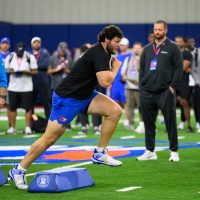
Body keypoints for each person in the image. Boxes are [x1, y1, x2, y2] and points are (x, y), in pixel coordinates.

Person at [9, 25, 123, 190]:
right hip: (67, 98)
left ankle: (100, 152)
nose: (119, 45)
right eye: (117, 41)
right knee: (49, 139)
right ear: (106, 40)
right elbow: (105, 82)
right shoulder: (98, 53)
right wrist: (116, 68)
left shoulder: (106, 52)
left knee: (115, 111)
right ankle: (18, 170)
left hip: (85, 95)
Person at [136, 20, 183, 162]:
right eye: (155, 29)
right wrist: (142, 87)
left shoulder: (173, 48)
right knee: (148, 122)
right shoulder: (147, 49)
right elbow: (142, 69)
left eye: (160, 30)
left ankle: (174, 151)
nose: (157, 32)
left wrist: (172, 86)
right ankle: (150, 151)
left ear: (166, 30)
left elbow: (179, 69)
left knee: (170, 122)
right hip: (147, 92)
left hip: (165, 91)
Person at [5, 42, 38, 135]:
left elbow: (35, 71)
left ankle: (27, 127)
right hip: (13, 87)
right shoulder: (10, 56)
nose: (20, 53)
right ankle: (12, 127)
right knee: (12, 108)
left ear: (24, 50)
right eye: (18, 52)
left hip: (26, 87)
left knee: (28, 108)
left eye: (21, 52)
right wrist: (9, 70)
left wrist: (26, 72)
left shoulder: (29, 56)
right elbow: (4, 69)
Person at [110, 37, 133, 128]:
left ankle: (128, 120)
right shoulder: (116, 57)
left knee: (126, 102)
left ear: (127, 45)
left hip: (125, 83)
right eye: (121, 45)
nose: (122, 47)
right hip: (115, 82)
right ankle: (112, 119)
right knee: (113, 101)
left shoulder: (130, 56)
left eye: (124, 45)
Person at [121, 42, 143, 131]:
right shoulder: (128, 59)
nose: (136, 49)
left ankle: (143, 124)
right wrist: (129, 79)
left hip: (140, 88)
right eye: (135, 47)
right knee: (129, 106)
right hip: (129, 87)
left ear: (141, 49)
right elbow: (123, 73)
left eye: (138, 48)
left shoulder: (144, 59)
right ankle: (130, 123)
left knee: (142, 107)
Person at [175, 36, 193, 132]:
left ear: (184, 43)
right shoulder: (172, 54)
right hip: (173, 82)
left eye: (180, 41)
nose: (178, 43)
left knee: (185, 103)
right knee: (171, 105)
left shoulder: (187, 54)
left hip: (184, 82)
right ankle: (172, 126)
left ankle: (189, 126)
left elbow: (182, 68)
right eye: (176, 41)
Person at [31, 37, 51, 120]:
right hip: (31, 81)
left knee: (46, 102)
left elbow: (46, 64)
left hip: (43, 81)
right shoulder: (28, 53)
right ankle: (32, 122)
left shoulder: (45, 53)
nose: (37, 44)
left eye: (38, 42)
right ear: (32, 44)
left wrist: (33, 66)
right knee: (30, 103)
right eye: (35, 42)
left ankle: (49, 123)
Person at [0, 37, 12, 128]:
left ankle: (10, 125)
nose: (5, 45)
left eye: (6, 43)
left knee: (8, 104)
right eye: (3, 43)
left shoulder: (12, 55)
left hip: (9, 83)